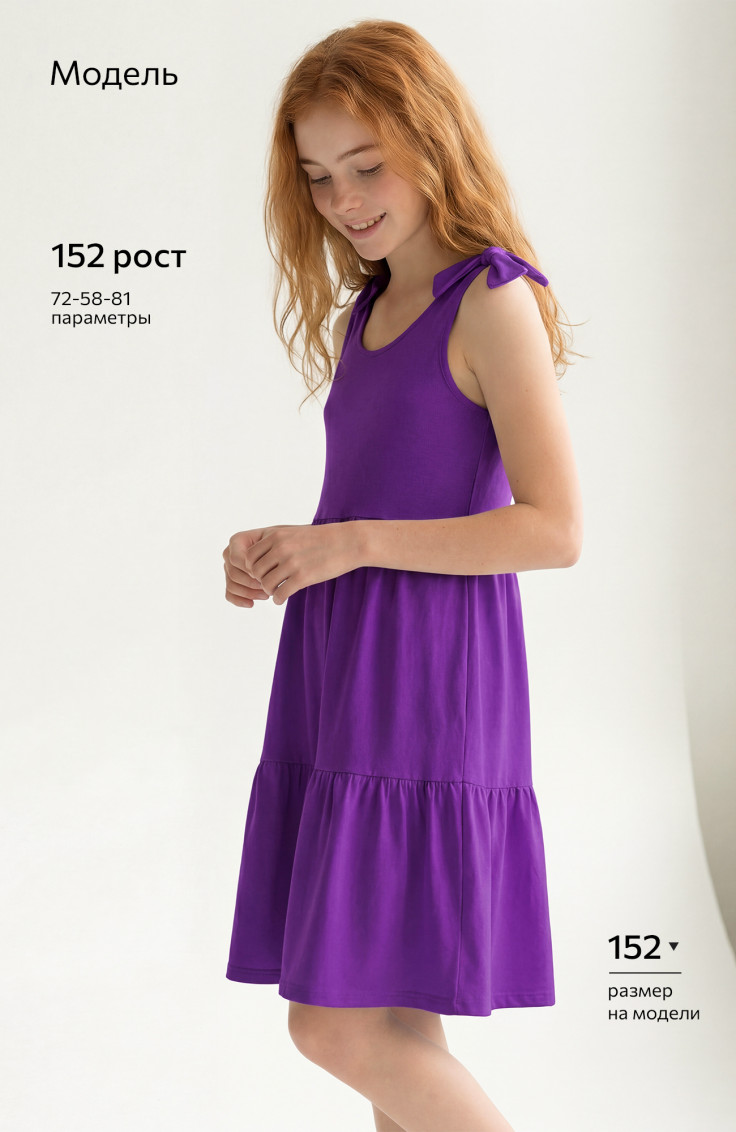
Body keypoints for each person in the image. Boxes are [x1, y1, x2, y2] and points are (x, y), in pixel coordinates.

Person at [222, 19, 583, 1132]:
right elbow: (369, 499)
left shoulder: (493, 300)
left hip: (430, 682)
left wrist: (351, 544)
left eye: (365, 165)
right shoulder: (367, 313)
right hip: (346, 668)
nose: (342, 198)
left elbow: (554, 529)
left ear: (432, 142)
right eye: (318, 176)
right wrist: (287, 548)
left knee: (332, 1026)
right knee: (398, 1025)